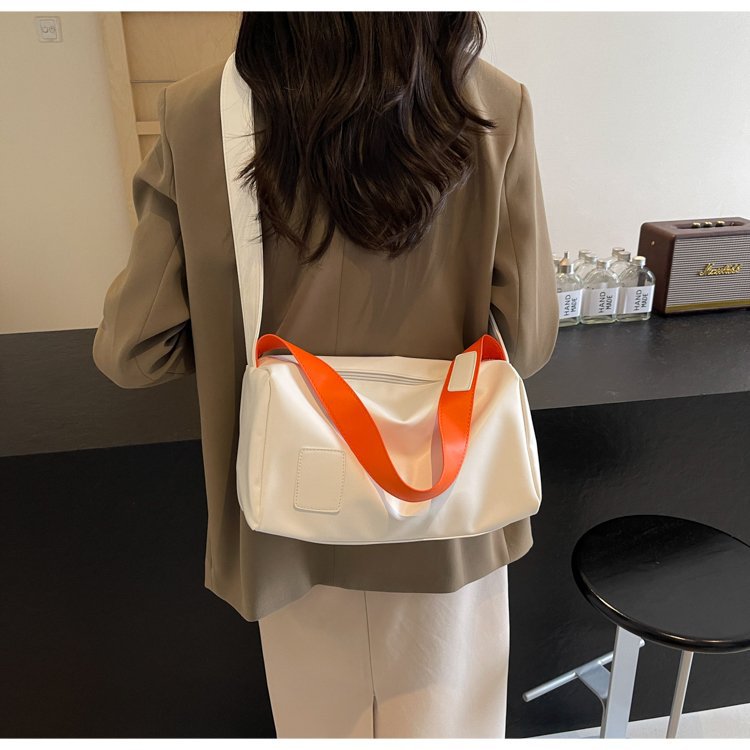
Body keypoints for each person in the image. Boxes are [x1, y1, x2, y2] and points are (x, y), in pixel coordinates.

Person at [92, 11, 558, 739]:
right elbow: (527, 341)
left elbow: (133, 350)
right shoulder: (492, 105)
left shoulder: (204, 111)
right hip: (443, 516)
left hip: (290, 523)